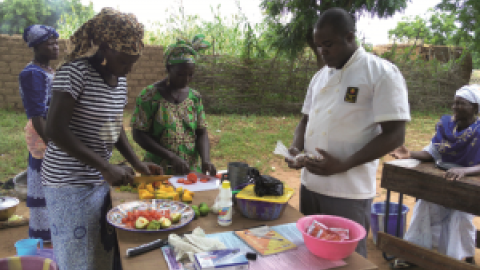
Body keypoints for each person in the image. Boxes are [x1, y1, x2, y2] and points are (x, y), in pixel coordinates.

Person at [41, 8, 162, 270]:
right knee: (78, 258)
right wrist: (105, 166)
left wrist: (137, 163)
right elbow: (55, 129)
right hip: (68, 184)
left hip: (98, 179)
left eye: (134, 61)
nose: (129, 69)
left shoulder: (118, 82)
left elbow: (114, 127)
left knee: (101, 252)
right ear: (106, 48)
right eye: (124, 60)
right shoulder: (75, 73)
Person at [285, 8, 410, 257]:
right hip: (311, 185)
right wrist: (296, 148)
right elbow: (305, 119)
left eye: (328, 44)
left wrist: (344, 164)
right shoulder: (320, 77)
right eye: (319, 45)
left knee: (347, 259)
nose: (323, 52)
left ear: (350, 37)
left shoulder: (381, 73)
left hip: (348, 190)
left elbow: (395, 135)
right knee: (312, 253)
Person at [389, 85, 480, 268]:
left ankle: (456, 260)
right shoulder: (446, 126)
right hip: (443, 182)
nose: (455, 107)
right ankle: (415, 255)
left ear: (475, 109)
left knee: (458, 215)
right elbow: (433, 153)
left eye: (461, 103)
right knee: (424, 205)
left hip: (467, 186)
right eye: (455, 103)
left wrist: (464, 171)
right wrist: (411, 154)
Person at [131, 34, 216, 176]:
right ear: (168, 69)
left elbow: (201, 132)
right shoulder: (149, 96)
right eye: (181, 74)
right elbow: (138, 134)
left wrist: (206, 160)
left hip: (190, 171)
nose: (186, 79)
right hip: (159, 171)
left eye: (190, 74)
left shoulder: (194, 98)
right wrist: (171, 156)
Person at [18, 25, 59, 242]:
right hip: (43, 135)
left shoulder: (48, 70)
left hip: (51, 132)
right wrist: (52, 145)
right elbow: (36, 114)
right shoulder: (32, 73)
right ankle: (45, 240)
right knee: (45, 179)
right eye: (50, 43)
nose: (56, 47)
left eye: (56, 42)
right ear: (36, 46)